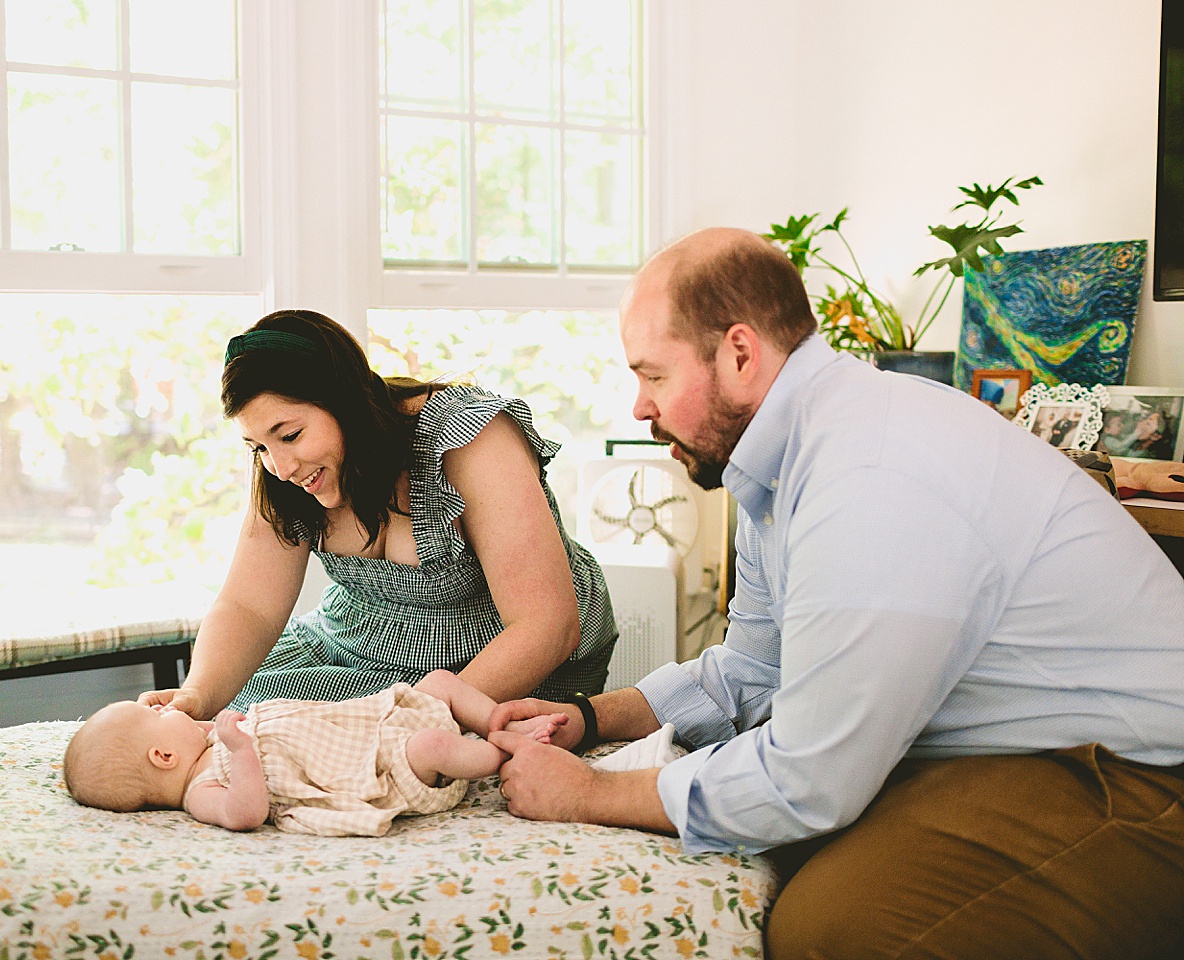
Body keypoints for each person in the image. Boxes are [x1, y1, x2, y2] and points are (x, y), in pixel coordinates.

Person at [486, 227, 1184, 960]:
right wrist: (590, 720)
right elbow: (754, 669)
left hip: (1138, 772)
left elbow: (809, 778)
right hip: (1017, 745)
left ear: (740, 354)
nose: (638, 406)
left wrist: (587, 796)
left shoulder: (869, 475)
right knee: (777, 846)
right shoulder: (778, 463)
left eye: (653, 376)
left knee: (836, 928)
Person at [138, 309, 617, 719]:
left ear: (341, 400)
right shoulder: (285, 471)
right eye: (259, 445)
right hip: (356, 644)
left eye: (289, 435)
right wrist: (198, 695)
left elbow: (548, 626)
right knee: (244, 717)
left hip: (503, 660)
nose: (280, 467)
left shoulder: (469, 438)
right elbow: (249, 607)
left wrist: (415, 720)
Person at [64, 670, 567, 837]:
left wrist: (185, 713)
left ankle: (501, 720)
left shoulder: (200, 739)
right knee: (435, 746)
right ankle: (504, 753)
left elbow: (190, 722)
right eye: (155, 717)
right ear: (163, 757)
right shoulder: (201, 790)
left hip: (371, 723)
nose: (164, 709)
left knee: (439, 684)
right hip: (383, 770)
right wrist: (240, 750)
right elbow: (245, 814)